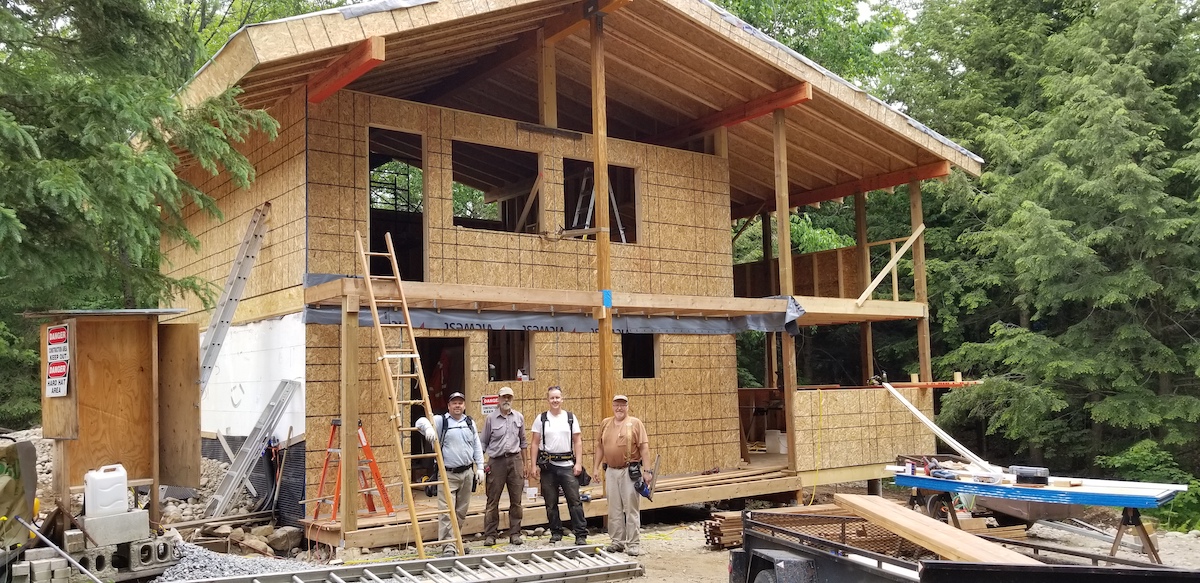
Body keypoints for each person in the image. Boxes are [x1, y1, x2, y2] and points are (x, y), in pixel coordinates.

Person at [415, 392, 485, 557]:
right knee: (446, 511)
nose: (457, 406)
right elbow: (420, 421)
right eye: (454, 403)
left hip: (467, 473)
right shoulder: (442, 421)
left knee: (461, 511)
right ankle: (448, 546)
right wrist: (427, 428)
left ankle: (456, 541)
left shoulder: (469, 422)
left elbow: (476, 445)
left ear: (464, 405)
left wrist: (480, 467)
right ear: (449, 406)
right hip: (448, 474)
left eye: (460, 403)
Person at [593, 394, 650, 556]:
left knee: (631, 508)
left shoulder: (635, 424)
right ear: (612, 406)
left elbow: (644, 449)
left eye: (622, 405)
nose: (619, 408)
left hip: (629, 471)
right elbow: (600, 447)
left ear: (627, 406)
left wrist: (647, 471)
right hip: (611, 471)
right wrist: (595, 468)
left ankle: (633, 543)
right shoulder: (605, 424)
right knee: (614, 508)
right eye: (616, 404)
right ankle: (617, 541)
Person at [530, 385, 588, 546]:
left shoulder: (570, 418)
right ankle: (556, 532)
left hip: (567, 465)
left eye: (557, 397)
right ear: (548, 400)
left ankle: (580, 534)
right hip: (548, 466)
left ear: (562, 399)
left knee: (574, 500)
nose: (555, 400)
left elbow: (578, 441)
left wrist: (579, 464)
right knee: (550, 502)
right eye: (552, 398)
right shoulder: (541, 419)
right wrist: (533, 465)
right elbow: (534, 443)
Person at [480, 386, 528, 546]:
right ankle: (490, 535)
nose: (506, 400)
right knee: (492, 500)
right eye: (503, 397)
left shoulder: (519, 417)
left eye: (509, 397)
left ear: (512, 399)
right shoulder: (490, 419)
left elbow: (523, 442)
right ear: (498, 399)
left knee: (516, 500)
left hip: (515, 461)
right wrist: (480, 465)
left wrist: (525, 464)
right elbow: (483, 443)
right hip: (496, 462)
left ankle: (515, 533)